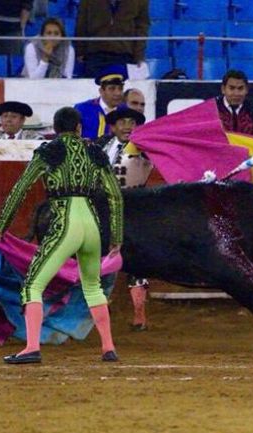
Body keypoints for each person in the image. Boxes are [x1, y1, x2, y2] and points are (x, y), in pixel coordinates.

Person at [0, 107, 124, 364]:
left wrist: (3, 223)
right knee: (93, 286)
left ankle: (31, 347)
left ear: (56, 129)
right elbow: (115, 196)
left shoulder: (49, 151)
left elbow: (21, 188)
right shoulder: (95, 152)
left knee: (33, 285)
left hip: (66, 221)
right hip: (92, 224)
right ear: (78, 128)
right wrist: (116, 235)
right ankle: (108, 347)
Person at [96, 106, 151, 330]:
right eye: (122, 122)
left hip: (134, 211)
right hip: (103, 209)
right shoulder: (101, 145)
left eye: (132, 122)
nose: (127, 126)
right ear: (113, 126)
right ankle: (100, 310)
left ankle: (139, 316)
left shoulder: (146, 147)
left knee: (136, 263)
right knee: (97, 258)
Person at [75, 0, 149, 78]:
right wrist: (80, 51)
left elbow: (142, 28)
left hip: (124, 54)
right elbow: (81, 23)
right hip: (95, 54)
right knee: (93, 88)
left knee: (120, 87)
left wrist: (139, 55)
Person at [74, 64, 126, 140]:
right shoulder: (82, 109)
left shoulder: (126, 111)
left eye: (120, 89)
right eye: (112, 89)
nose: (117, 93)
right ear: (101, 91)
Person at [217, 69, 253, 137]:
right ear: (223, 89)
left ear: (246, 89)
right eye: (231, 88)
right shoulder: (212, 109)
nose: (236, 93)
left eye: (240, 88)